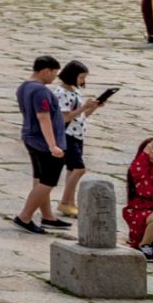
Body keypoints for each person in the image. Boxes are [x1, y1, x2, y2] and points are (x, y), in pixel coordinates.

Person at [13, 54, 72, 234]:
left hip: (31, 137)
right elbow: (43, 117)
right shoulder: (40, 91)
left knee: (40, 178)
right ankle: (25, 216)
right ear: (46, 71)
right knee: (48, 181)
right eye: (54, 73)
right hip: (43, 141)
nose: (55, 77)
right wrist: (53, 145)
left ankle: (47, 216)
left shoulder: (24, 87)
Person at [54, 60, 105, 218]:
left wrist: (93, 107)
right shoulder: (60, 93)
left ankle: (70, 203)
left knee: (71, 170)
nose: (83, 81)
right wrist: (83, 107)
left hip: (77, 133)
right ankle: (64, 201)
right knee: (78, 169)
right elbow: (65, 117)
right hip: (67, 134)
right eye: (81, 77)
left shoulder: (74, 92)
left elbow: (80, 117)